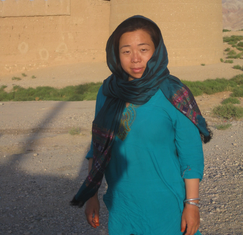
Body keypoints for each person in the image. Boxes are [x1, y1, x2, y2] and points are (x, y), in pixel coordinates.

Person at [71, 15, 212, 235]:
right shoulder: (108, 92)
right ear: (116, 54)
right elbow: (97, 146)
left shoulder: (173, 94)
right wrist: (92, 196)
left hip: (166, 206)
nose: (135, 59)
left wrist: (192, 205)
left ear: (157, 51)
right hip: (122, 204)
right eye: (126, 51)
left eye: (143, 49)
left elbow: (191, 155)